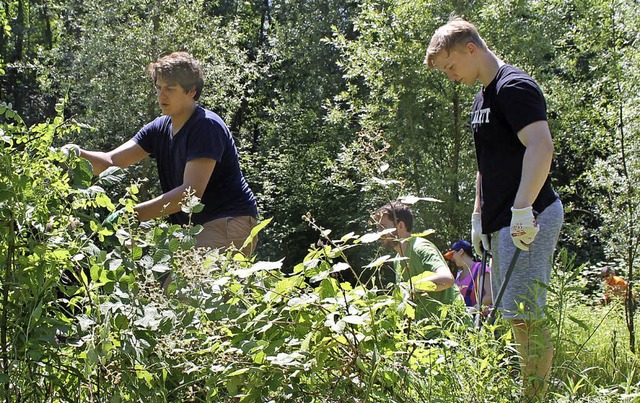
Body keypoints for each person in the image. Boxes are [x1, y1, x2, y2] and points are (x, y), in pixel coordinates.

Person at [425, 17, 564, 401]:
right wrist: (478, 218)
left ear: (471, 48)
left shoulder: (514, 86)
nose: (450, 75)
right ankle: (530, 393)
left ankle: (536, 397)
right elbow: (485, 165)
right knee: (513, 315)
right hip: (501, 221)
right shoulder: (482, 97)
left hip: (530, 218)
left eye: (451, 66)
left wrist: (522, 209)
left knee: (526, 315)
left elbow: (541, 145)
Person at [63, 52, 259, 258]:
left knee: (181, 289)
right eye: (159, 88)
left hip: (227, 222)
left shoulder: (205, 126)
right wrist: (75, 154)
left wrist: (132, 214)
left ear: (191, 91)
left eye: (170, 89)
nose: (161, 95)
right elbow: (111, 162)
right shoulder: (159, 128)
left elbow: (189, 194)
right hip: (194, 230)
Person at [374, 202, 455, 320]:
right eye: (378, 227)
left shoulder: (420, 247)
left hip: (450, 329)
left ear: (400, 225)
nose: (379, 233)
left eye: (383, 227)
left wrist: (412, 286)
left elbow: (447, 279)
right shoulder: (397, 259)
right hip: (425, 332)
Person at [443, 240, 492, 310]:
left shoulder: (481, 268)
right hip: (464, 318)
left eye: (452, 254)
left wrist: (475, 308)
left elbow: (490, 295)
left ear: (461, 252)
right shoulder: (458, 275)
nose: (452, 259)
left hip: (481, 318)